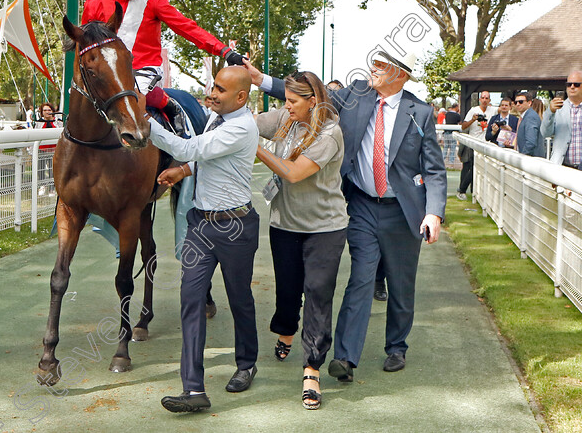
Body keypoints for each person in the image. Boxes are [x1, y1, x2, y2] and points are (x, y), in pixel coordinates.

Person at [259, 52, 446, 380]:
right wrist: (261, 80)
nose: (372, 69)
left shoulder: (421, 112)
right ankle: (345, 357)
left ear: (400, 74)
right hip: (360, 205)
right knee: (360, 278)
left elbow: (434, 169)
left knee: (401, 285)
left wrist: (434, 213)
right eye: (373, 63)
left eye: (381, 65)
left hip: (403, 212)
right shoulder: (358, 93)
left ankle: (396, 346)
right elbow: (313, 93)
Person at [150, 66, 259, 413]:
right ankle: (193, 390)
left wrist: (142, 118)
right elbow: (207, 159)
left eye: (221, 90)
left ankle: (246, 364)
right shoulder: (218, 118)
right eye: (213, 86)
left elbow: (188, 147)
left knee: (239, 298)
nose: (213, 93)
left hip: (236, 227)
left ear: (241, 97)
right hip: (200, 224)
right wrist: (183, 171)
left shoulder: (241, 126)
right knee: (191, 299)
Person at [247, 66, 348, 410]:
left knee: (318, 293)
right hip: (285, 225)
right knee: (288, 292)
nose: (285, 106)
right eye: (285, 100)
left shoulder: (330, 133)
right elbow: (248, 123)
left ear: (312, 101)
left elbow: (291, 173)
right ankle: (287, 328)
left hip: (325, 228)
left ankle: (312, 368)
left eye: (292, 101)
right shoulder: (285, 117)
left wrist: (255, 148)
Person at [82, 0, 244, 95]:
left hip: (146, 72)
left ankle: (172, 118)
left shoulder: (152, 0)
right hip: (108, 75)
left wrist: (224, 51)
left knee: (136, 102)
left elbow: (186, 27)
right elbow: (82, 50)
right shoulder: (93, 5)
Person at [456, 91, 495, 200]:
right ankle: (461, 190)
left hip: (486, 145)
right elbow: (463, 126)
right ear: (479, 99)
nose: (484, 100)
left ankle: (474, 191)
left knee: (480, 169)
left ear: (489, 100)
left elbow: (504, 109)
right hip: (472, 144)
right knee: (468, 168)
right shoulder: (473, 110)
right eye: (482, 98)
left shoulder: (493, 110)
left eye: (487, 98)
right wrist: (473, 119)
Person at [542, 71, 582, 169]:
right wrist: (550, 112)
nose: (572, 87)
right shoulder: (557, 109)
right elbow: (545, 133)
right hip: (563, 166)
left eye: (576, 84)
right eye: (569, 85)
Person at [35, 102, 61, 196]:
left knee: (52, 170)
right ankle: (42, 186)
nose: (47, 112)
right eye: (45, 110)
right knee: (40, 169)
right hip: (42, 150)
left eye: (49, 110)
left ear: (53, 111)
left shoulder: (58, 122)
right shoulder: (38, 122)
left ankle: (51, 188)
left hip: (54, 150)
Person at [514, 92, 546, 158]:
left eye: (520, 102)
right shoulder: (526, 116)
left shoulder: (530, 117)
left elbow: (531, 142)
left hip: (531, 160)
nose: (517, 104)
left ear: (529, 103)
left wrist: (521, 157)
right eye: (516, 102)